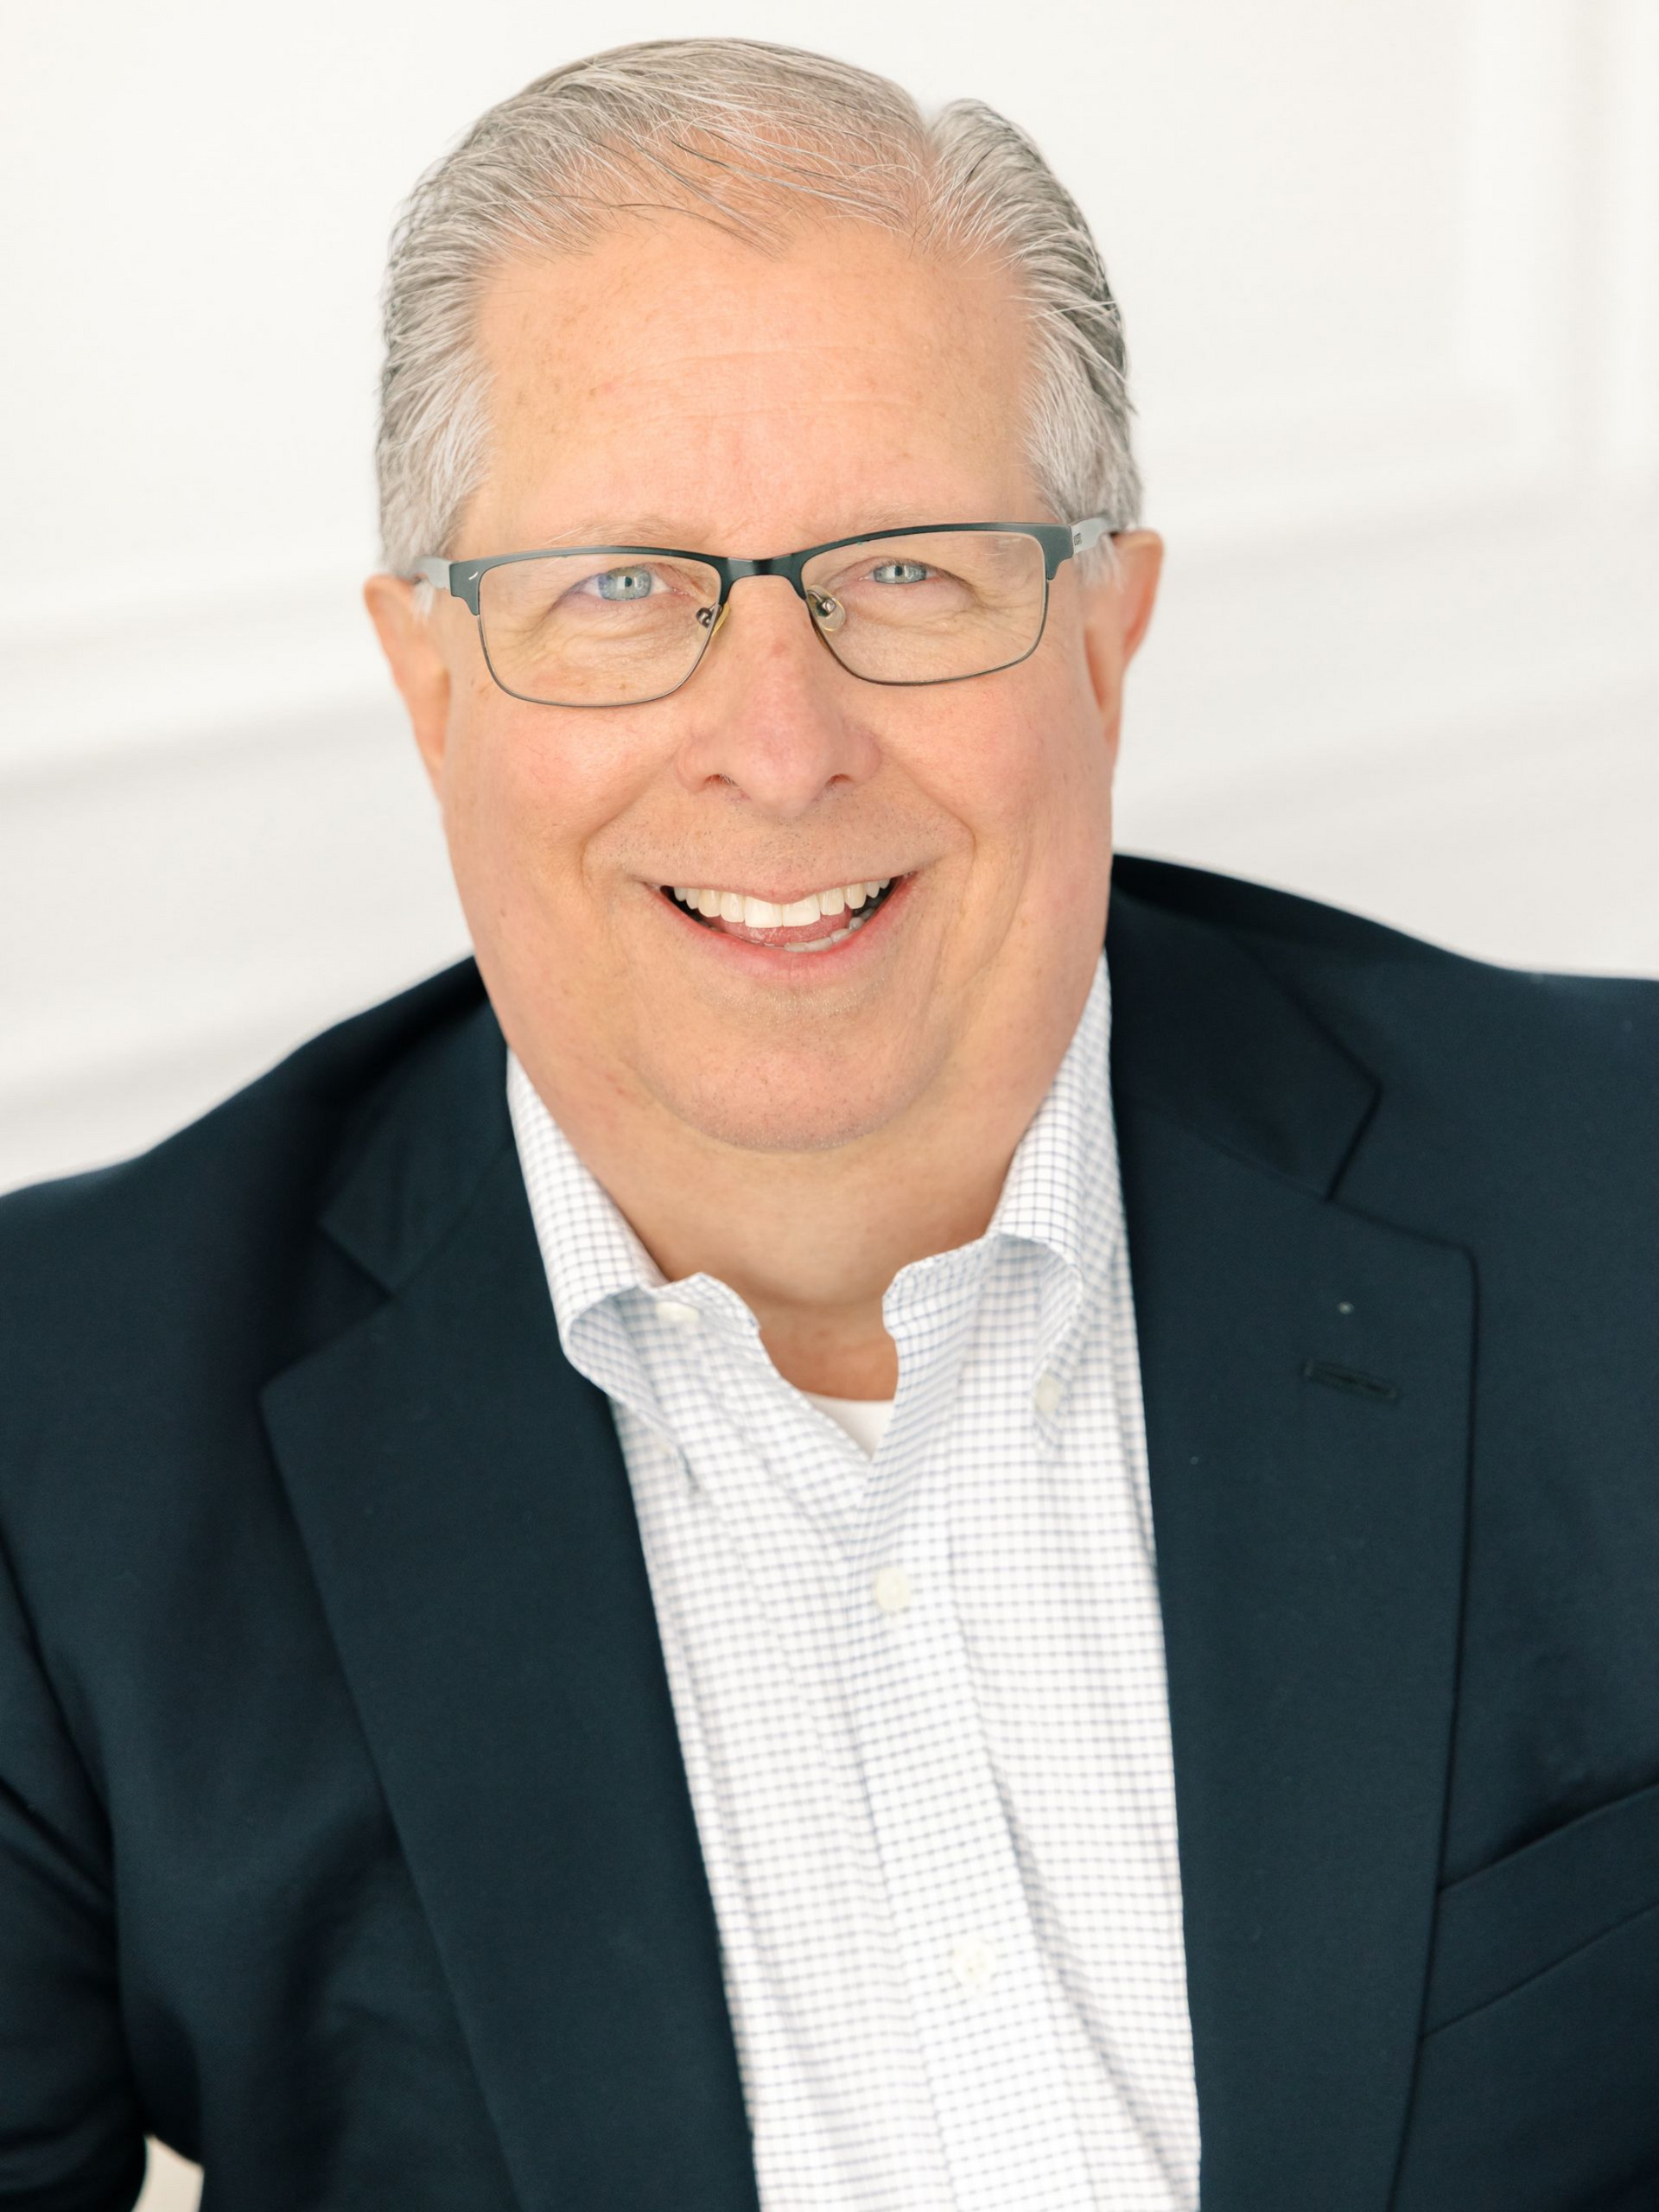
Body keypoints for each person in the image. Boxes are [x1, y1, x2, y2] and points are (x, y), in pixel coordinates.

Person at [3, 36, 1656, 2212]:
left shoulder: (1620, 1192)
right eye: (619, 585)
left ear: (1105, 636)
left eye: (908, 571)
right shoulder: (59, 1428)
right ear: (431, 682)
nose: (778, 750)